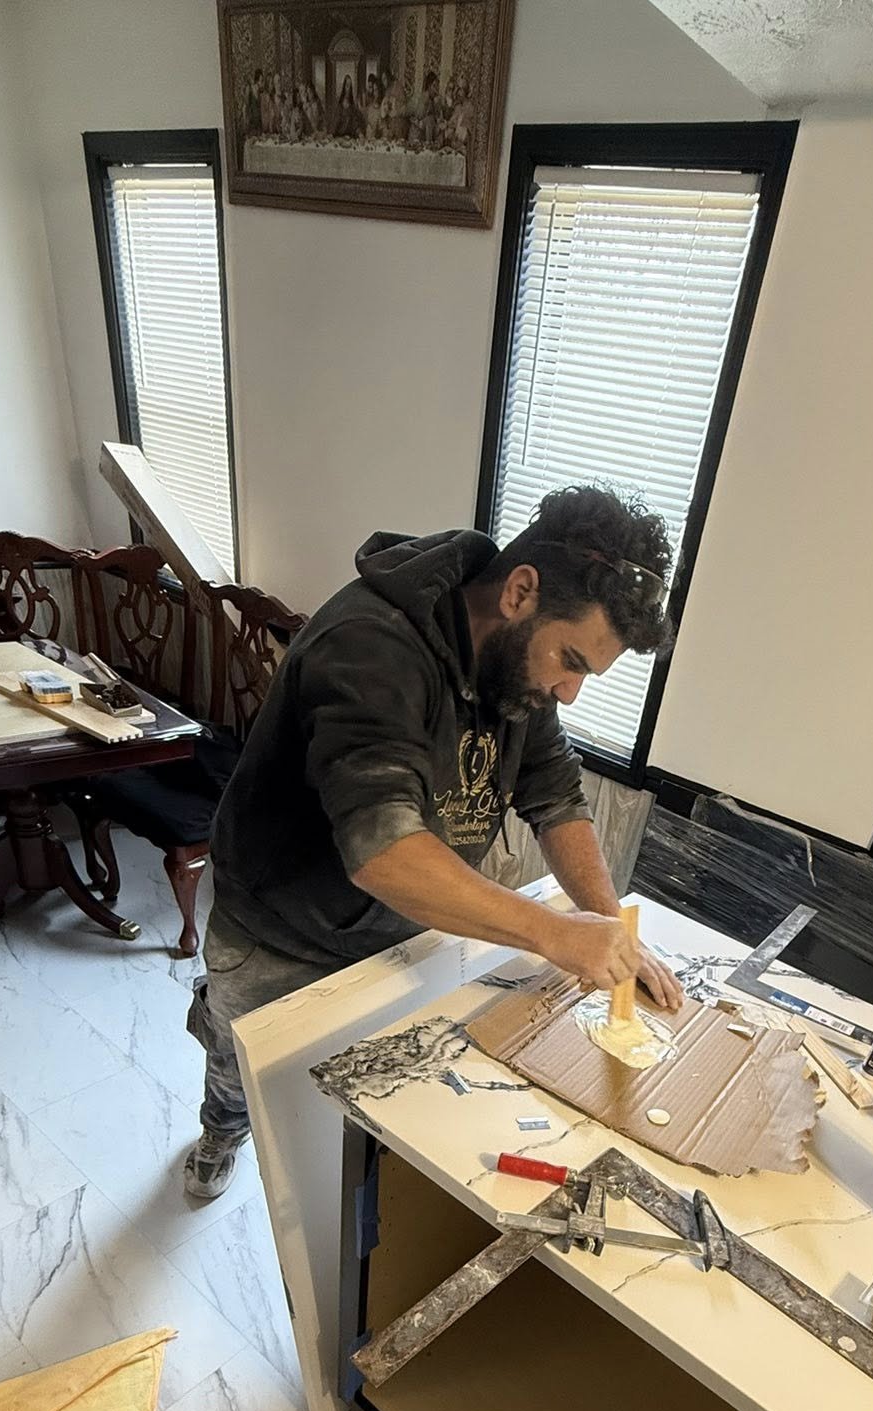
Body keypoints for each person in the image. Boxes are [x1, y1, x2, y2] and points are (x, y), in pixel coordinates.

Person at [183, 484, 684, 1198]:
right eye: (570, 659)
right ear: (520, 591)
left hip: (402, 930)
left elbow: (557, 799)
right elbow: (384, 850)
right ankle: (219, 1132)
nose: (569, 691)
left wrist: (607, 925)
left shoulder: (519, 671)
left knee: (349, 1114)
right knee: (245, 1066)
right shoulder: (369, 645)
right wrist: (553, 934)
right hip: (278, 924)